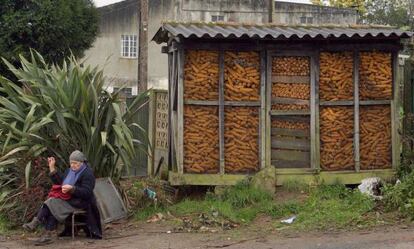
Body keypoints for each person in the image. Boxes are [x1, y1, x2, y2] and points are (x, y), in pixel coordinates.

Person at [23, 150, 102, 245]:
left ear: (82, 162)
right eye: (71, 163)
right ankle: (46, 233)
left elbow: (87, 192)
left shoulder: (88, 174)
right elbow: (60, 182)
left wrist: (72, 189)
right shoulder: (70, 171)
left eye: (75, 163)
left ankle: (37, 224)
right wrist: (52, 168)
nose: (72, 165)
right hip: (69, 199)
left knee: (51, 203)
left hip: (80, 202)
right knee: (52, 204)